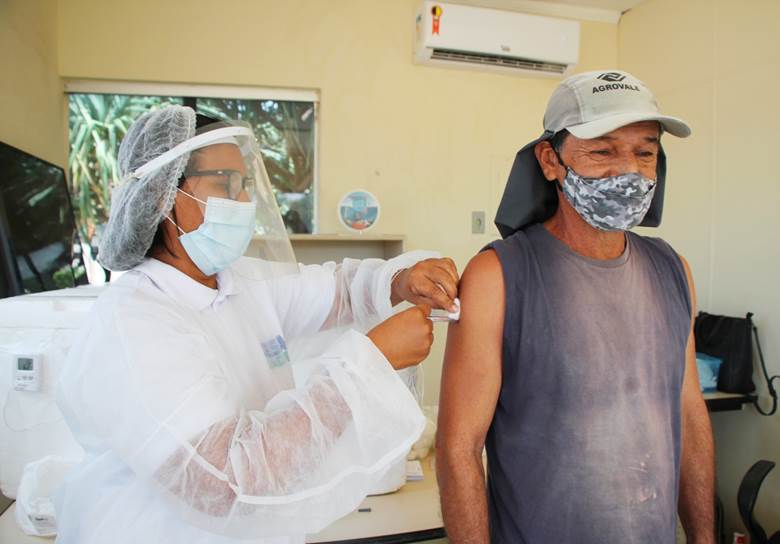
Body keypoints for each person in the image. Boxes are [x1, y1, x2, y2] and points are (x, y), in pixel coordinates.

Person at [53, 105, 460, 544]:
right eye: (224, 184)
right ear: (161, 195)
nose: (244, 202)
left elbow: (340, 290)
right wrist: (368, 365)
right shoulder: (134, 324)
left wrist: (398, 281)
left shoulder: (239, 282)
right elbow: (227, 483)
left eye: (245, 184)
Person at [436, 70, 715, 543]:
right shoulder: (497, 276)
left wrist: (705, 537)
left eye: (645, 152)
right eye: (602, 151)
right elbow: (459, 446)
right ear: (550, 160)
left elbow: (689, 415)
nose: (627, 171)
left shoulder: (673, 270)